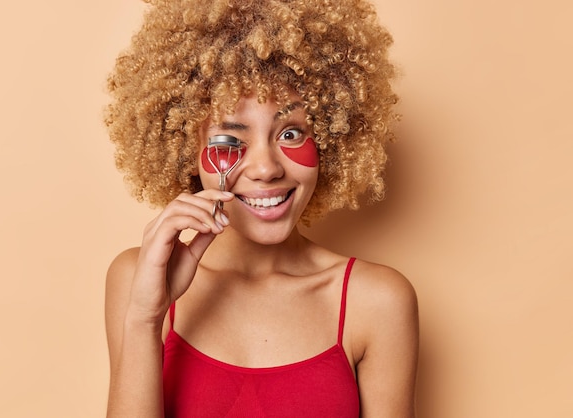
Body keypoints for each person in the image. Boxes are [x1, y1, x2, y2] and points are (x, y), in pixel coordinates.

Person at [103, 0, 419, 416]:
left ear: (331, 138)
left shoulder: (377, 301)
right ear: (186, 151)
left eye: (290, 133)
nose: (267, 168)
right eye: (230, 141)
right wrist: (145, 317)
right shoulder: (140, 280)